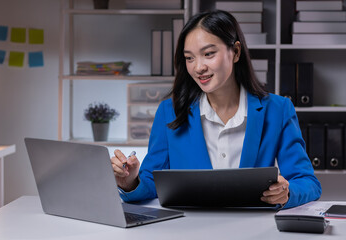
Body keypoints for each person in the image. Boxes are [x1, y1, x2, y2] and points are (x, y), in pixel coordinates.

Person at [111, 10, 321, 209]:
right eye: (189, 58)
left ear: (236, 52)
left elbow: (307, 182)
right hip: (189, 230)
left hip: (252, 229)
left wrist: (287, 192)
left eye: (208, 54)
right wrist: (130, 181)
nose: (198, 67)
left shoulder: (277, 109)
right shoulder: (170, 111)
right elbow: (150, 181)